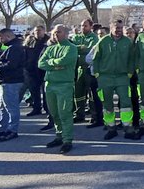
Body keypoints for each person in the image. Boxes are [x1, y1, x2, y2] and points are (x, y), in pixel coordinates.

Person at [93, 22, 138, 140]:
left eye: (120, 28)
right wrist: (97, 74)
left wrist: (129, 73)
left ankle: (128, 128)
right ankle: (111, 128)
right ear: (111, 28)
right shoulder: (103, 41)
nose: (118, 30)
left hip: (122, 77)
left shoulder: (128, 42)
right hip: (105, 78)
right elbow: (96, 58)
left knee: (126, 104)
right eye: (116, 28)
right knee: (107, 104)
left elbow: (132, 59)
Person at [39, 24, 79, 154]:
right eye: (54, 32)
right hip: (50, 84)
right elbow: (41, 63)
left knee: (64, 113)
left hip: (64, 84)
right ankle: (59, 136)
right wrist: (54, 64)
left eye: (59, 32)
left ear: (66, 34)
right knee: (54, 113)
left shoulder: (71, 48)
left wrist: (50, 63)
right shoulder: (50, 48)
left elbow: (65, 60)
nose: (56, 35)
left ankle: (67, 140)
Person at [0, 28, 25, 142]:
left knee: (11, 107)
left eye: (1, 37)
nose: (0, 40)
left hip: (11, 81)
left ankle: (12, 129)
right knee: (3, 107)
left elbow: (11, 65)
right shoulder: (10, 47)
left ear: (8, 36)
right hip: (5, 81)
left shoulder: (14, 48)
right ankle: (2, 128)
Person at [72, 19, 102, 127]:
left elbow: (90, 50)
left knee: (92, 94)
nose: (83, 27)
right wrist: (80, 48)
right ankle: (79, 114)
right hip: (79, 68)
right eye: (81, 25)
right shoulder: (76, 37)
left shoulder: (93, 37)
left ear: (90, 26)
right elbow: (72, 49)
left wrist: (78, 48)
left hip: (89, 69)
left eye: (85, 26)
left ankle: (95, 116)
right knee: (78, 93)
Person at [22, 26, 49, 119]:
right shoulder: (30, 41)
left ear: (44, 31)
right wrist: (25, 65)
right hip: (31, 69)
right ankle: (36, 108)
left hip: (44, 70)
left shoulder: (48, 41)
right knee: (34, 90)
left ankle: (47, 108)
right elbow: (24, 52)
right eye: (36, 31)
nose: (37, 32)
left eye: (39, 30)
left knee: (46, 91)